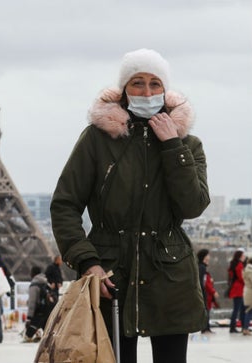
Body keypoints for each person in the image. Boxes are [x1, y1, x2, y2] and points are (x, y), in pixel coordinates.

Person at [50, 48, 209, 363]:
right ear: (124, 91)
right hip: (110, 273)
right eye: (137, 82)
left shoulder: (188, 145)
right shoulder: (97, 139)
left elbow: (193, 205)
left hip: (169, 274)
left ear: (165, 90)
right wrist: (87, 262)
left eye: (155, 83)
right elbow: (65, 204)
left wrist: (172, 146)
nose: (147, 91)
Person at [24, 265, 55, 342]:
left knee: (28, 336)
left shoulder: (34, 285)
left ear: (33, 273)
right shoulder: (46, 283)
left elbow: (32, 302)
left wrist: (29, 317)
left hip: (39, 312)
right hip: (48, 311)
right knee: (48, 335)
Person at [197, 249, 218, 334]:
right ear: (205, 256)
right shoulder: (202, 267)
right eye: (208, 255)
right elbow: (202, 281)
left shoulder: (202, 266)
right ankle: (205, 328)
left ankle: (206, 327)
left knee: (207, 309)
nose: (209, 257)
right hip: (203, 292)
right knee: (206, 310)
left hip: (203, 291)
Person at [227, 249, 246, 333]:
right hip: (239, 289)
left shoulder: (233, 264)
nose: (244, 257)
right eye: (243, 255)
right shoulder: (239, 265)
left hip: (235, 288)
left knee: (237, 309)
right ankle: (237, 327)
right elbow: (241, 277)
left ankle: (236, 326)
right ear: (240, 256)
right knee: (239, 309)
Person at [243, 256, 252, 336]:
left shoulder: (247, 269)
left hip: (248, 292)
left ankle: (246, 328)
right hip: (250, 293)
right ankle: (245, 329)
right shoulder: (250, 270)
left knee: (248, 311)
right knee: (249, 311)